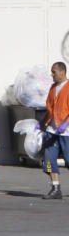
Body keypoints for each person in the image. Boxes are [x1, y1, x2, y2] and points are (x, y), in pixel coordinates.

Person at [41, 61, 69, 199]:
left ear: (63, 72)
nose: (52, 75)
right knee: (49, 160)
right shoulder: (53, 88)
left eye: (54, 72)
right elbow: (50, 109)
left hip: (66, 132)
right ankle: (55, 187)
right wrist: (41, 124)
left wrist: (66, 124)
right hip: (52, 131)